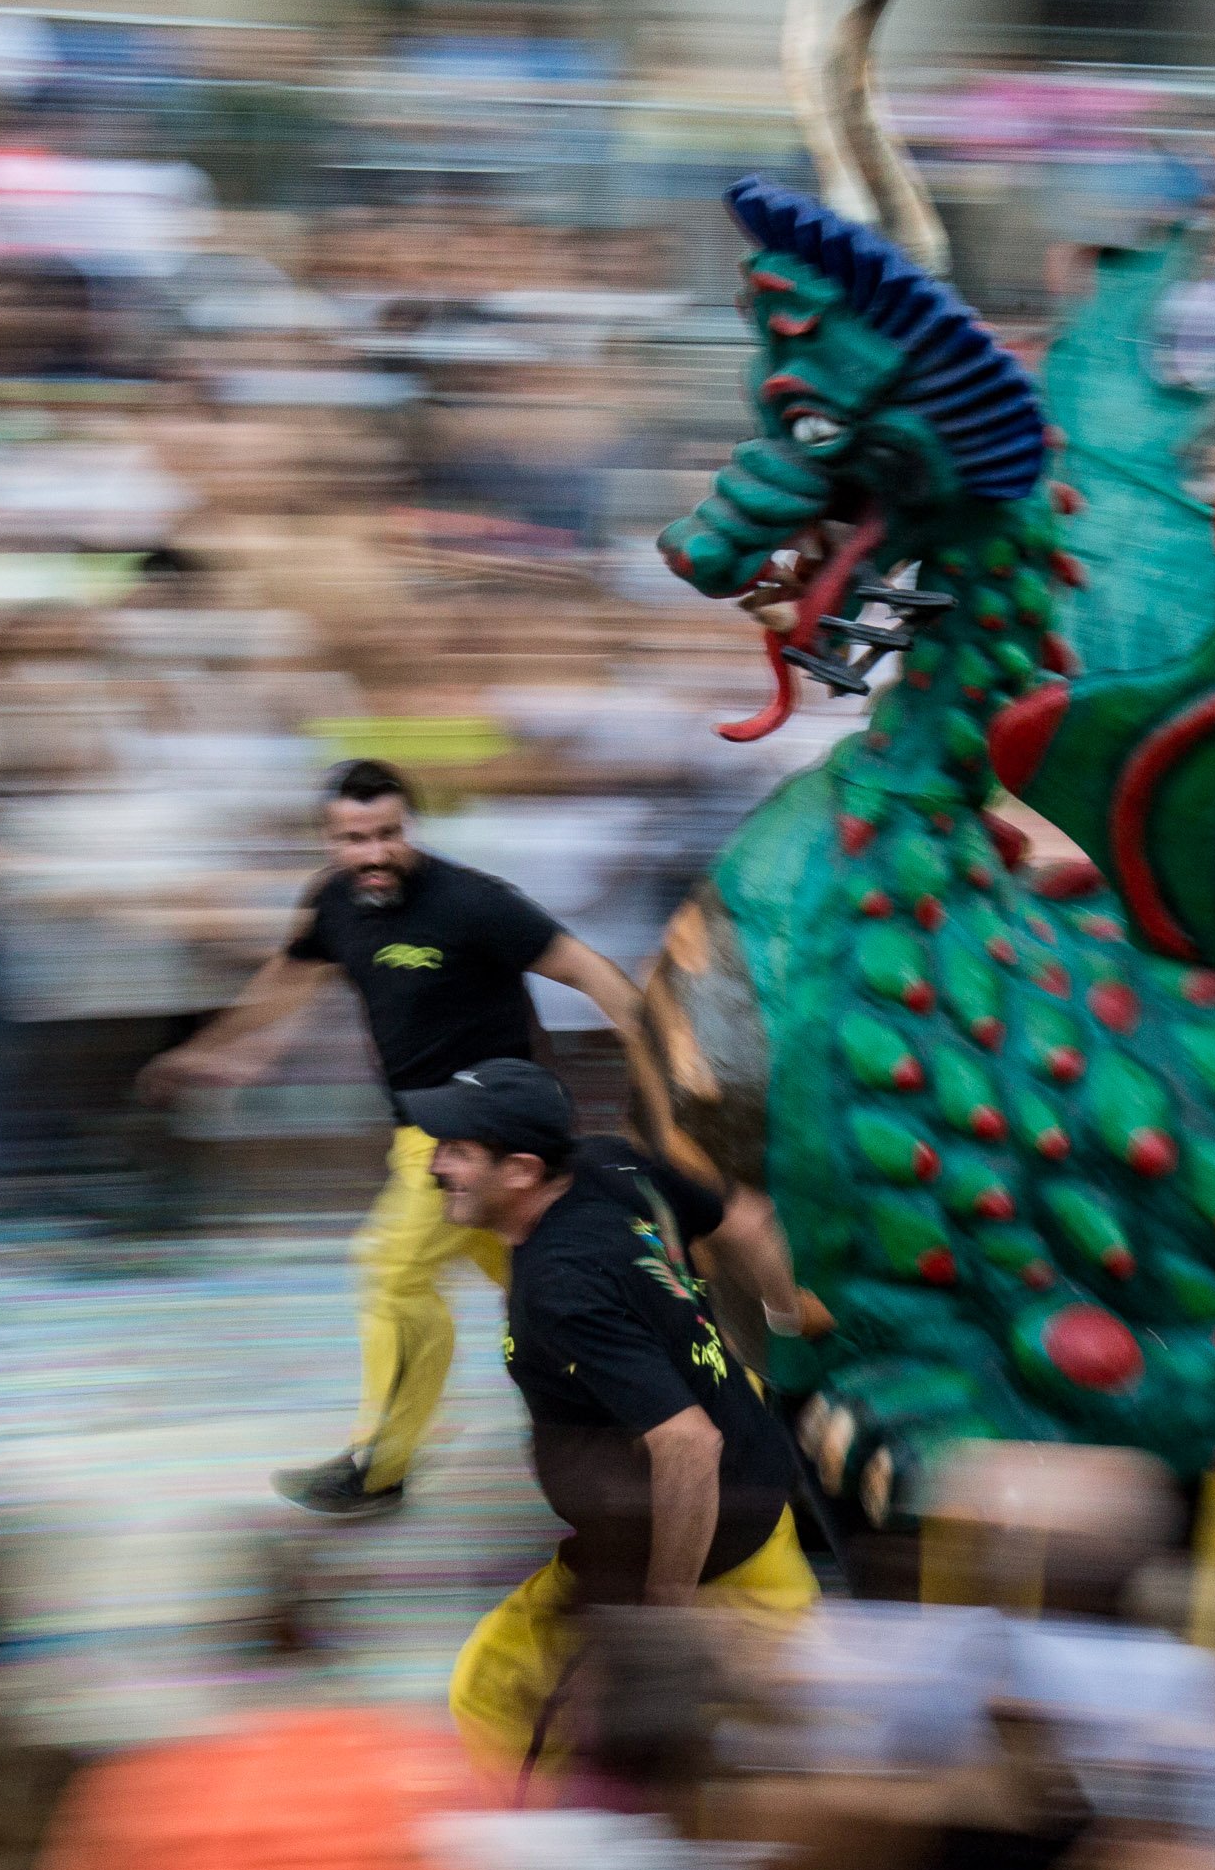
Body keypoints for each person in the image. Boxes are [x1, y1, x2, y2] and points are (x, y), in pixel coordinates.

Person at [138, 758, 792, 1519]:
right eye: (355, 839)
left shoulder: (470, 901)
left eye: (387, 833)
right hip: (428, 1136)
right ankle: (704, 1414)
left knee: (391, 1273)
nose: (374, 852)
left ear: (406, 827)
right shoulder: (333, 906)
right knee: (566, 1290)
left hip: (483, 1143)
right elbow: (282, 983)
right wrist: (213, 1050)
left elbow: (587, 970)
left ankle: (379, 1466)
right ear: (330, 839)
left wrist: (663, 1065)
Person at [399, 1061, 817, 1775]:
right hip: (760, 1492)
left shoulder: (561, 1286)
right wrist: (787, 1315)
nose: (436, 1165)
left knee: (493, 1700)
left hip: (689, 1550)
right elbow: (746, 1220)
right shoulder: (609, 1158)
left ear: (523, 1170)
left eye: (458, 1150)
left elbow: (687, 1442)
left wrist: (663, 1614)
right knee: (778, 1734)